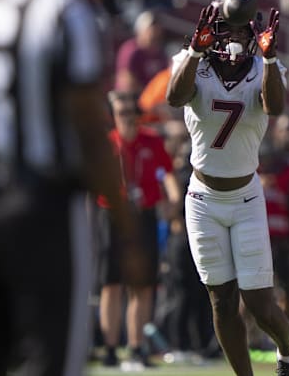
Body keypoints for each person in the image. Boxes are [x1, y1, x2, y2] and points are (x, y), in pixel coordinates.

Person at [0, 0, 140, 375]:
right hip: (41, 203)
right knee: (51, 359)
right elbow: (91, 127)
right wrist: (126, 227)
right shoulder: (63, 5)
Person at [165, 0, 289, 376]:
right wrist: (193, 51)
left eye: (243, 31)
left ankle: (287, 352)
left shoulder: (264, 68)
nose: (236, 38)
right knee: (221, 301)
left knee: (258, 302)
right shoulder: (194, 62)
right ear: (213, 29)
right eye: (228, 29)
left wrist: (271, 58)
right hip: (203, 198)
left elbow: (274, 106)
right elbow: (176, 98)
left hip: (245, 198)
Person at [96, 91, 181, 369]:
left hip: (143, 214)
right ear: (114, 116)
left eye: (132, 112)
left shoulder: (151, 141)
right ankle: (109, 348)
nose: (128, 118)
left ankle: (137, 347)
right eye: (122, 113)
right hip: (112, 214)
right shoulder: (108, 144)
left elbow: (166, 172)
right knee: (111, 284)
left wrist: (173, 200)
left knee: (142, 286)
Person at [115, 9, 169, 94]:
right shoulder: (131, 50)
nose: (154, 31)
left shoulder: (160, 53)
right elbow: (127, 81)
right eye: (150, 27)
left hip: (153, 101)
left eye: (156, 27)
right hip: (131, 99)